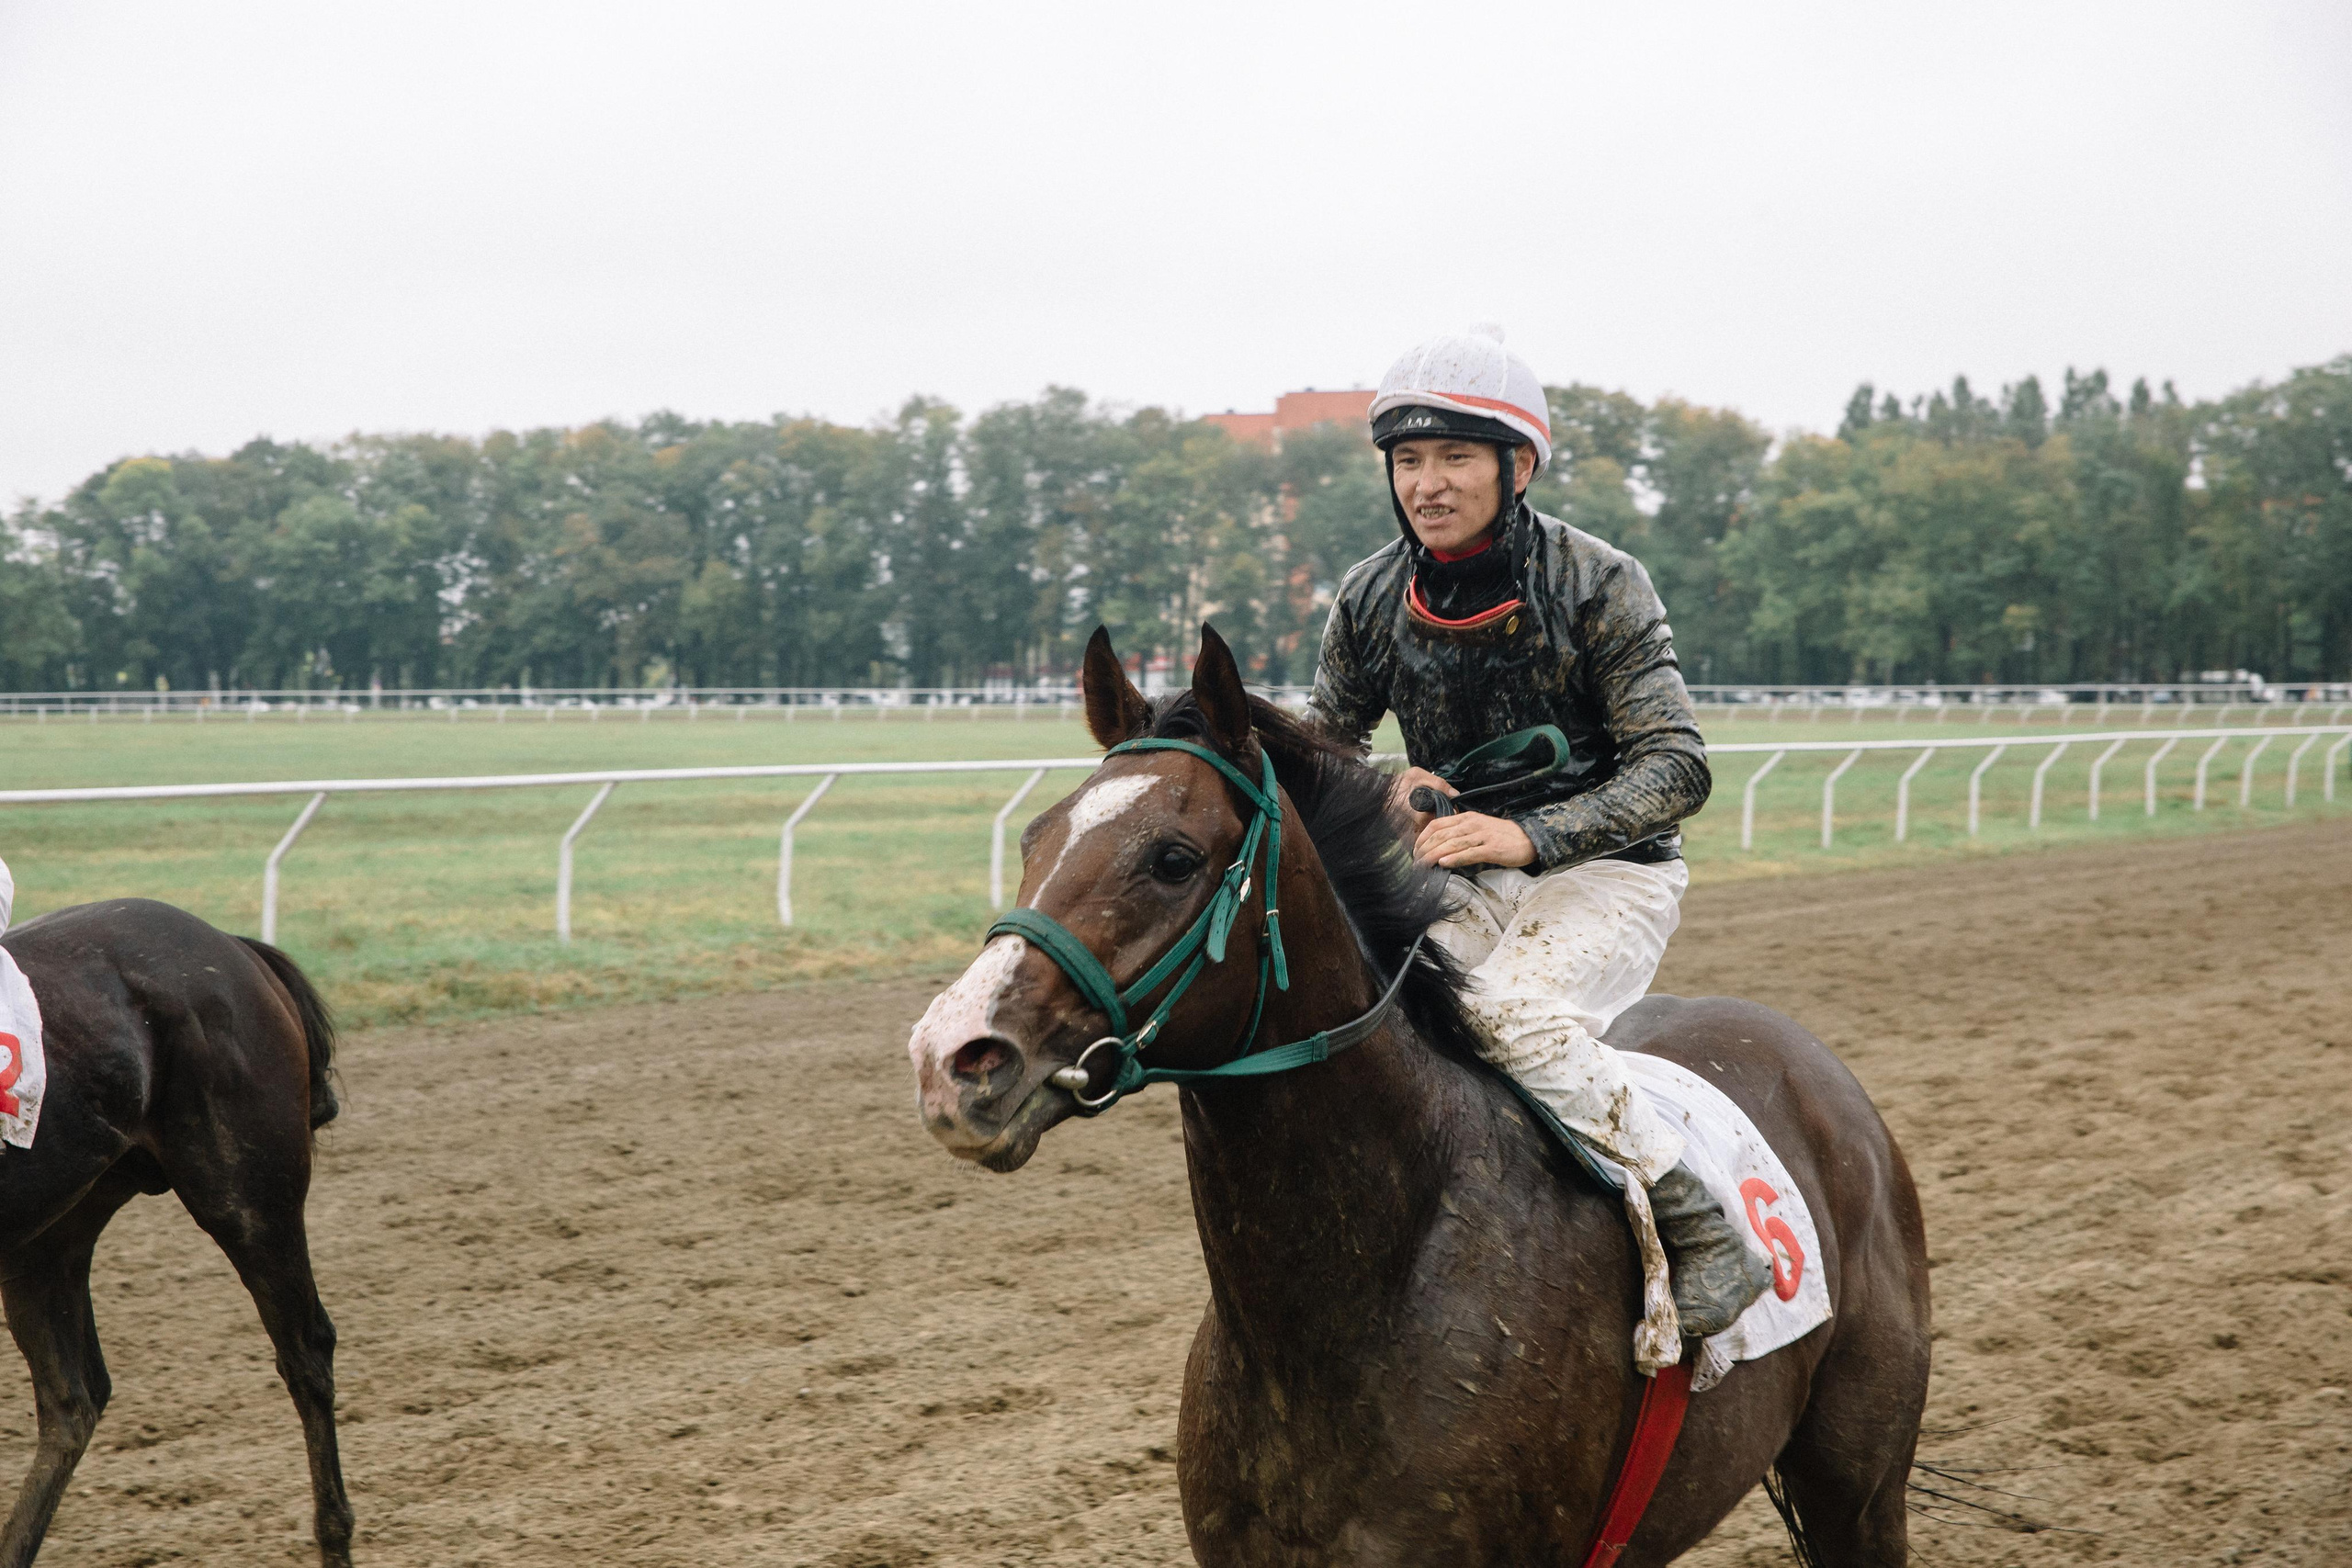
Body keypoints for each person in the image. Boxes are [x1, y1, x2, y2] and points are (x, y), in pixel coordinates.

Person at [1308, 325, 1771, 1338]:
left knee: (1507, 1018)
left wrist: (1527, 837)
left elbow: (1677, 768)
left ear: (1516, 466)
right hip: (1458, 879)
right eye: (1409, 461)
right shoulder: (1369, 595)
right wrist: (1383, 784)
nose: (1427, 484)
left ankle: (1701, 1228)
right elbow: (1323, 748)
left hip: (1608, 874)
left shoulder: (1600, 582)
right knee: (1378, 1024)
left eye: (1455, 458)